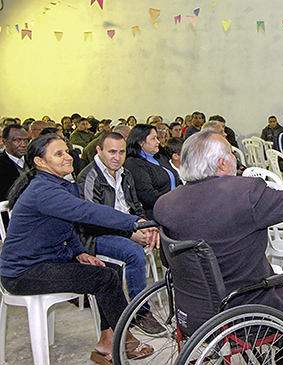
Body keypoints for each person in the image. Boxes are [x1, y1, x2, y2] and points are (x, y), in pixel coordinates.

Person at [154, 131, 283, 365]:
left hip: (193, 309)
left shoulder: (165, 203)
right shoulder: (244, 193)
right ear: (223, 163)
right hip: (245, 304)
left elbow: (168, 261)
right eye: (231, 152)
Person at [0, 134, 157, 364]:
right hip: (23, 272)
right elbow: (88, 211)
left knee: (110, 270)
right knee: (104, 278)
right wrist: (134, 222)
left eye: (67, 151)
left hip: (48, 260)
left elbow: (68, 226)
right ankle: (125, 339)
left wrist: (79, 252)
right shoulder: (44, 190)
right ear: (40, 162)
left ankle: (107, 339)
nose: (68, 157)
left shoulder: (58, 184)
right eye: (59, 154)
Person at [76, 132, 166, 334]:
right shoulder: (89, 177)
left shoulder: (124, 173)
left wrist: (146, 226)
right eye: (111, 152)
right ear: (99, 151)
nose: (117, 157)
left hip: (127, 227)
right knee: (133, 252)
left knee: (167, 235)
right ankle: (140, 312)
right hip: (94, 236)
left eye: (121, 152)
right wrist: (130, 232)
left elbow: (135, 206)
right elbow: (92, 220)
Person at [124, 124, 181, 219]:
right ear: (140, 142)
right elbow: (147, 195)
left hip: (174, 208)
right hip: (156, 214)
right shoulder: (134, 164)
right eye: (153, 138)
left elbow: (176, 181)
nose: (158, 141)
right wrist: (174, 203)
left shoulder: (160, 158)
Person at [0, 124, 29, 200]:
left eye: (26, 140)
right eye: (17, 140)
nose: (23, 145)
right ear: (5, 142)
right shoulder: (1, 163)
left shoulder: (34, 160)